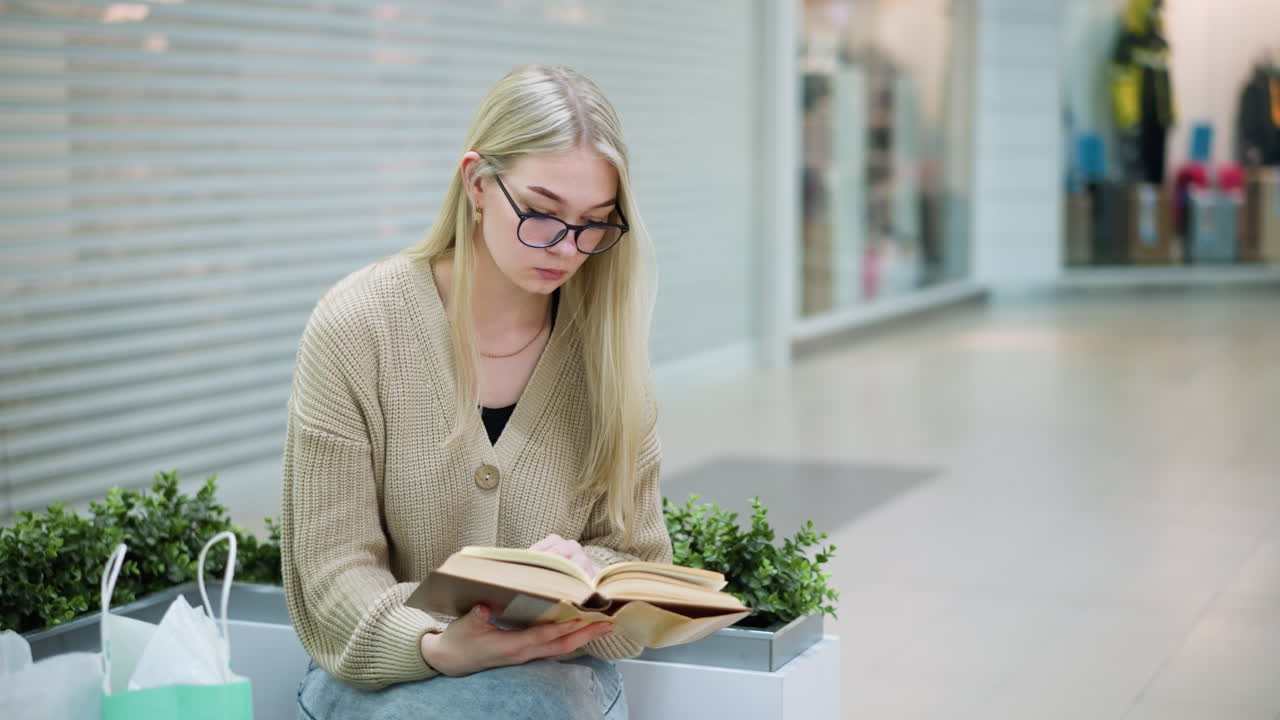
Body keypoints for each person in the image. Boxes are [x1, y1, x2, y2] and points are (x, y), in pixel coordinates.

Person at [282, 64, 672, 719]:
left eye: (594, 224)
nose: (567, 249)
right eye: (543, 214)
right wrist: (436, 645)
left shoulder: (603, 350)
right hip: (382, 673)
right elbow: (331, 568)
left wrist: (586, 569)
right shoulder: (357, 325)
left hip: (550, 679)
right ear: (477, 183)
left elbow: (638, 565)